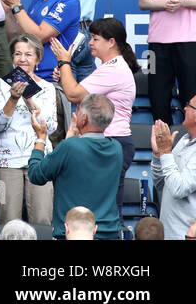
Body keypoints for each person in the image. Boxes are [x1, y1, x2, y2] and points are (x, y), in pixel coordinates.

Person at [50, 16, 141, 202]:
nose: (90, 42)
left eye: (95, 39)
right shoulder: (108, 67)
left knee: (106, 205)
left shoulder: (114, 69)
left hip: (112, 141)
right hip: (105, 141)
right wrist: (63, 76)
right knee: (97, 203)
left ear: (111, 42)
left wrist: (64, 62)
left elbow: (74, 94)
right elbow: (79, 94)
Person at [26, 94, 125, 238]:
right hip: (108, 232)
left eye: (78, 112)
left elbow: (36, 175)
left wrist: (41, 139)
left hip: (72, 233)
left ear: (84, 119)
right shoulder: (117, 148)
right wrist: (71, 136)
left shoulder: (69, 147)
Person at [0, 34, 58, 227]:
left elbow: (51, 126)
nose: (22, 59)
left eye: (28, 54)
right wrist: (12, 99)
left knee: (43, 220)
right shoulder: (0, 84)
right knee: (7, 222)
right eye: (18, 54)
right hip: (6, 160)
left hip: (40, 160)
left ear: (38, 59)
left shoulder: (47, 88)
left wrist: (28, 98)